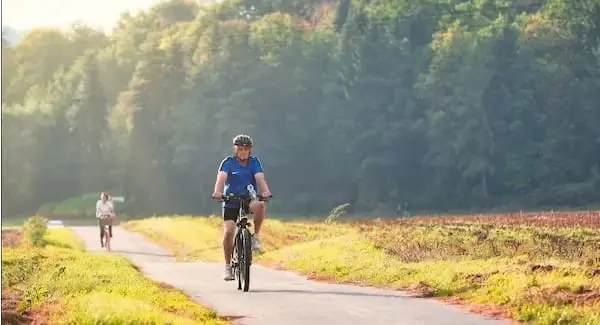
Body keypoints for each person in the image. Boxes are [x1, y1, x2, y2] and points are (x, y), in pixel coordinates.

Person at [212, 134, 272, 281]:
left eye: (246, 149)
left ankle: (255, 237)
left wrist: (265, 191)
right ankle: (227, 267)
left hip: (247, 198)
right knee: (229, 231)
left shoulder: (254, 162)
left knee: (261, 205)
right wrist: (218, 192)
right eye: (240, 148)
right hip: (230, 200)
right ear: (235, 149)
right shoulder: (228, 162)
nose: (243, 151)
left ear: (250, 150)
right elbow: (221, 178)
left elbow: (259, 178)